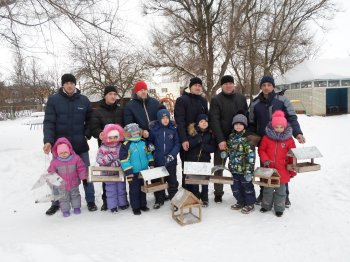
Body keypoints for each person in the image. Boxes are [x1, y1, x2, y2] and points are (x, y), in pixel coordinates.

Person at [43, 73, 97, 215]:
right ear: (63, 85)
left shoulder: (84, 100)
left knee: (86, 173)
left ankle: (90, 200)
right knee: (56, 176)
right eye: (66, 83)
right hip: (61, 148)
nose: (69, 85)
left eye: (72, 83)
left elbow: (91, 119)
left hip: (80, 145)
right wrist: (48, 141)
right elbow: (49, 122)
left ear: (75, 84)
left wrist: (86, 132)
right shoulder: (54, 100)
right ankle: (55, 202)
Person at [248, 75, 305, 206]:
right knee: (265, 168)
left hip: (282, 141)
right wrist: (252, 136)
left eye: (269, 85)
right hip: (265, 142)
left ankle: (284, 195)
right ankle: (264, 193)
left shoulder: (282, 100)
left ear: (273, 86)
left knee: (283, 168)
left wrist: (298, 133)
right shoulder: (255, 103)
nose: (266, 87)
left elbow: (292, 117)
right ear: (261, 87)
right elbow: (251, 123)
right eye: (264, 85)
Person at [209, 75, 248, 203]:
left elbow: (245, 117)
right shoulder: (216, 100)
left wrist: (244, 136)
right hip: (223, 140)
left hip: (239, 140)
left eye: (230, 83)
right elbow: (214, 120)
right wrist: (220, 140)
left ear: (234, 85)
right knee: (219, 167)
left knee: (239, 167)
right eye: (225, 83)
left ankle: (240, 190)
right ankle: (218, 192)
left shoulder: (241, 98)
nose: (228, 85)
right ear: (221, 86)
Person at [90, 85, 124, 211]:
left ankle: (121, 199)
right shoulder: (98, 111)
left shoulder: (121, 110)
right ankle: (106, 200)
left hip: (119, 147)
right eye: (110, 94)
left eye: (115, 94)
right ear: (105, 95)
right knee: (107, 175)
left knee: (120, 175)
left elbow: (124, 126)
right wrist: (99, 133)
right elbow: (94, 127)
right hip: (105, 149)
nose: (113, 96)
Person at [258, 110, 296, 217]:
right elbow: (261, 150)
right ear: (272, 127)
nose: (279, 129)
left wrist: (291, 170)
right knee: (268, 189)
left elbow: (293, 154)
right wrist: (265, 160)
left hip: (282, 170)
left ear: (284, 127)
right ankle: (266, 206)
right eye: (276, 127)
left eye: (281, 127)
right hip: (269, 169)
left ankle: (279, 208)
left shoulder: (289, 140)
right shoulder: (266, 138)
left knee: (281, 190)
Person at [174, 77, 208, 189]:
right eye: (195, 85)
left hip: (200, 139)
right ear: (190, 87)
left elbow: (206, 119)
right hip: (188, 139)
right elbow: (180, 121)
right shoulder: (182, 100)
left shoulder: (203, 100)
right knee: (187, 167)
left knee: (199, 166)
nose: (198, 87)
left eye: (199, 85)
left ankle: (198, 194)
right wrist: (183, 139)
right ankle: (186, 191)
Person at [148, 108, 180, 209]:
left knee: (172, 182)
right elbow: (149, 142)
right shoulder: (154, 130)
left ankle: (174, 200)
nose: (165, 120)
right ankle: (159, 200)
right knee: (158, 182)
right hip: (158, 161)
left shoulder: (173, 130)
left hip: (171, 162)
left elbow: (177, 143)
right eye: (163, 118)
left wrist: (172, 155)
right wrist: (151, 148)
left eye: (167, 118)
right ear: (159, 119)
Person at [120, 123, 154, 215]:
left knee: (143, 188)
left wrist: (151, 164)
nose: (135, 135)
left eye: (137, 133)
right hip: (133, 173)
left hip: (144, 171)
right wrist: (129, 171)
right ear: (129, 134)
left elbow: (149, 154)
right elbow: (124, 159)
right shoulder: (126, 145)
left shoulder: (143, 142)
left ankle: (143, 204)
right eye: (133, 133)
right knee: (134, 190)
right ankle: (135, 207)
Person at [47, 137, 87, 217]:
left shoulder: (75, 159)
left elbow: (81, 168)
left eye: (65, 152)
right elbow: (51, 172)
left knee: (75, 196)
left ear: (69, 150)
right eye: (61, 153)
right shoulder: (55, 162)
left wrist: (83, 178)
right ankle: (65, 210)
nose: (64, 154)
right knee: (64, 198)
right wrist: (53, 181)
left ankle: (76, 208)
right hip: (62, 185)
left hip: (74, 183)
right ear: (58, 153)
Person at [227, 114, 256, 214]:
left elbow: (251, 155)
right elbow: (230, 150)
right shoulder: (231, 137)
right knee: (235, 187)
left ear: (244, 125)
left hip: (245, 169)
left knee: (247, 187)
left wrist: (249, 171)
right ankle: (241, 201)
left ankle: (250, 203)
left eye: (240, 124)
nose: (238, 126)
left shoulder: (248, 138)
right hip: (234, 168)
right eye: (236, 124)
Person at [96, 124, 128, 213]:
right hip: (108, 173)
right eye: (111, 137)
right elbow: (98, 159)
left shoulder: (121, 146)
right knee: (110, 189)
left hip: (119, 172)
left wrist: (118, 162)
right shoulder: (103, 147)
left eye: (115, 137)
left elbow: (125, 157)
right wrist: (107, 158)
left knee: (121, 188)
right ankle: (112, 206)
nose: (113, 139)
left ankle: (122, 203)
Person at [186, 114, 216, 207]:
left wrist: (203, 146)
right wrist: (197, 140)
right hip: (193, 160)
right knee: (195, 181)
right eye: (201, 121)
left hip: (205, 161)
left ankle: (205, 198)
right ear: (197, 123)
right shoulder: (192, 132)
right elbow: (188, 145)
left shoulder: (210, 134)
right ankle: (196, 196)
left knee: (204, 181)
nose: (204, 123)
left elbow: (212, 148)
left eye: (206, 121)